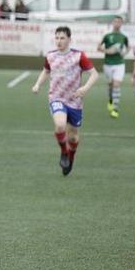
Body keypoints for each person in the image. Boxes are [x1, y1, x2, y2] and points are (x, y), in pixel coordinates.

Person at [31, 26, 99, 176]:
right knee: (60, 125)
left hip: (75, 100)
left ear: (69, 39)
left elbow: (94, 74)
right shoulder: (51, 56)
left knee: (73, 136)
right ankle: (63, 152)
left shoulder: (78, 56)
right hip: (56, 97)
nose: (59, 41)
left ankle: (71, 157)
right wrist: (37, 84)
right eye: (57, 38)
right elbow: (46, 70)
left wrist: (85, 88)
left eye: (62, 38)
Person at [97, 16, 129, 119]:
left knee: (116, 84)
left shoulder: (124, 37)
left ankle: (115, 108)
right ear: (113, 23)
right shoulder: (107, 35)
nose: (117, 23)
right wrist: (108, 51)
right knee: (110, 85)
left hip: (119, 64)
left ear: (121, 24)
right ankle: (110, 100)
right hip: (108, 64)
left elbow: (128, 47)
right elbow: (98, 47)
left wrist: (124, 53)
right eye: (115, 22)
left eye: (119, 22)